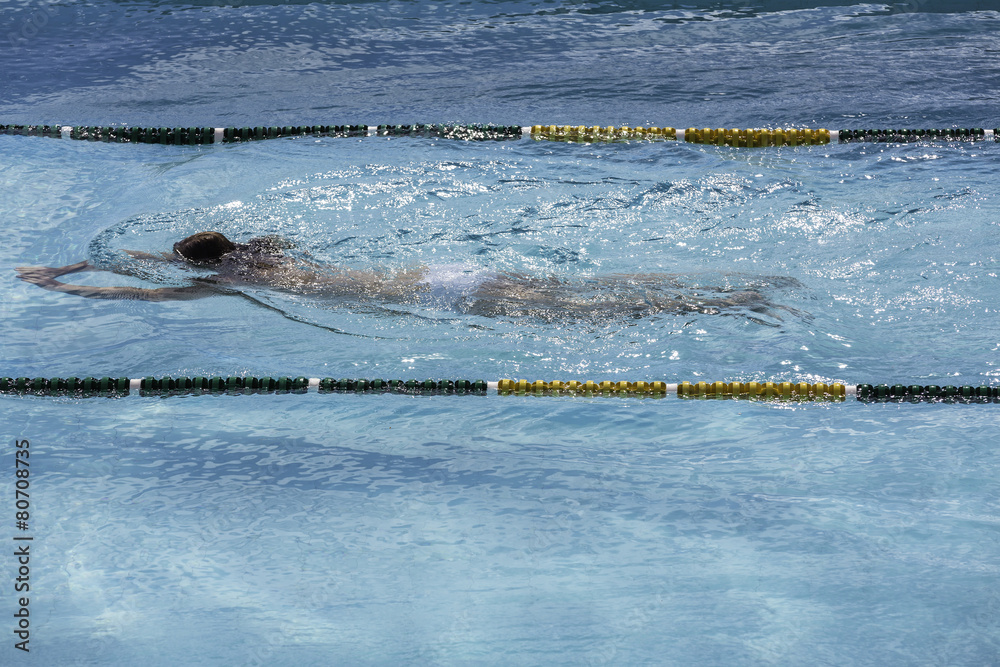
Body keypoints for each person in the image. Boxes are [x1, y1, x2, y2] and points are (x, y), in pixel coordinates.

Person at [16, 231, 798, 322]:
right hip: (448, 268)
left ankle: (728, 302)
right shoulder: (262, 253)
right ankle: (736, 278)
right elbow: (150, 259)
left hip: (438, 295)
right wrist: (73, 259)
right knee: (579, 286)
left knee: (589, 313)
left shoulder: (229, 281)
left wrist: (63, 284)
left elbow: (138, 287)